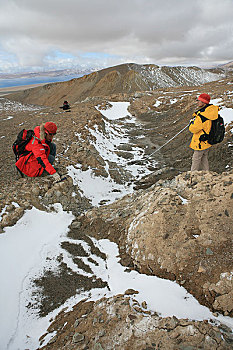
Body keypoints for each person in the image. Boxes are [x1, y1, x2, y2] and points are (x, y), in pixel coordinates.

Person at [189, 93, 219, 171]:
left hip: (200, 142)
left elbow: (193, 129)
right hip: (207, 140)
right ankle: (206, 174)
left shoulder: (201, 116)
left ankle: (192, 175)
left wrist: (191, 124)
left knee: (196, 159)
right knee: (204, 158)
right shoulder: (211, 112)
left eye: (199, 101)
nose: (197, 102)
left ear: (204, 102)